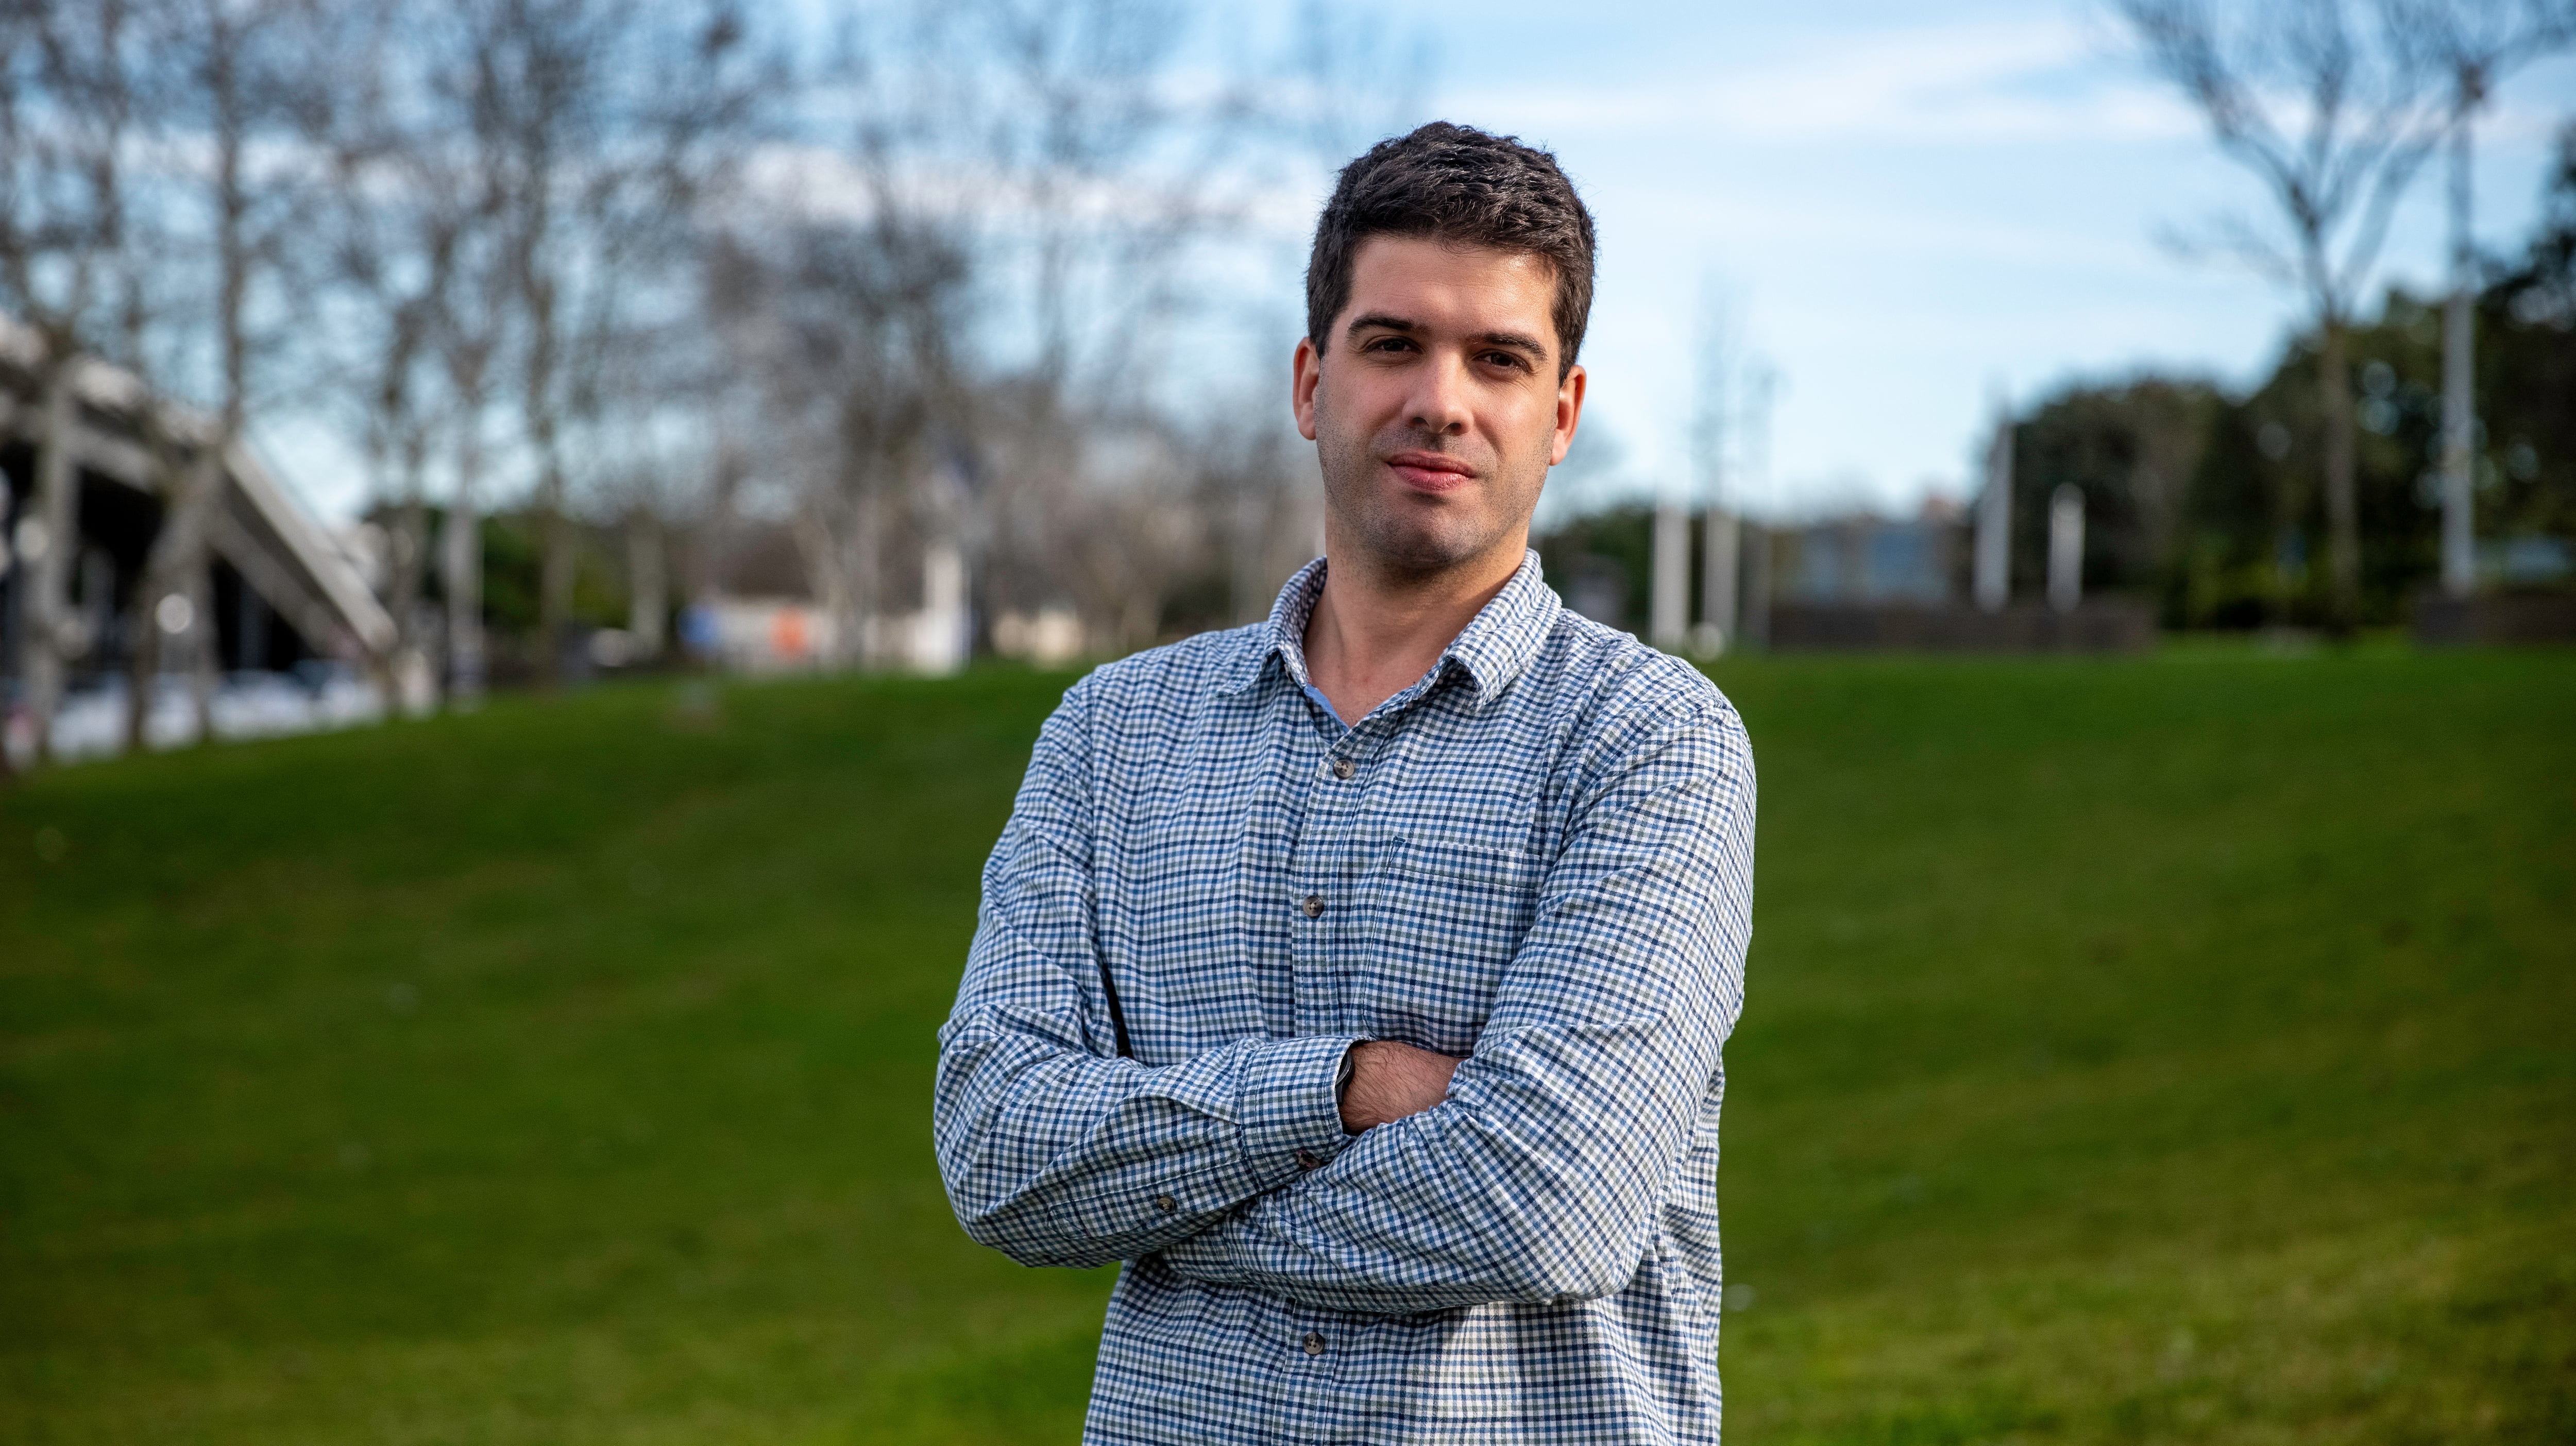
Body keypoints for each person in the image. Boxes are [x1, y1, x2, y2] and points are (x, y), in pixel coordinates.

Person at [933, 121, 1755, 1444]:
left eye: (1499, 359)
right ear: (1311, 383)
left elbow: (1552, 1200)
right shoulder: (1110, 736)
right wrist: (1347, 1087)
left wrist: (1157, 1205)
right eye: (1393, 345)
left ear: (1562, 416)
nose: (1442, 399)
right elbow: (997, 1148)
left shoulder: (1651, 740)